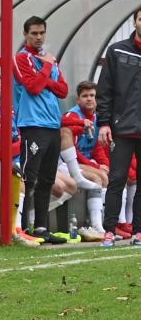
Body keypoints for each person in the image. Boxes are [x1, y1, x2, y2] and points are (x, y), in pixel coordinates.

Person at [13, 15, 69, 244]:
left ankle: (41, 228)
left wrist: (45, 74)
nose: (38, 37)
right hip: (32, 124)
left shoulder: (50, 60)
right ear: (25, 34)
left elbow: (63, 90)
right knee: (29, 177)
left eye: (41, 33)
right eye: (34, 33)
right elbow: (34, 87)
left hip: (53, 125)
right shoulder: (22, 58)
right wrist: (46, 67)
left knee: (47, 178)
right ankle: (21, 227)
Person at [97, 7, 141, 247]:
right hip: (121, 128)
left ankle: (138, 232)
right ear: (135, 21)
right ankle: (110, 231)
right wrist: (104, 123)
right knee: (116, 179)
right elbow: (104, 90)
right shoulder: (117, 50)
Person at [60, 81, 107, 240]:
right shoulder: (73, 115)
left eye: (92, 95)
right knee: (97, 177)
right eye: (85, 96)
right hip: (67, 162)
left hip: (84, 162)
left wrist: (103, 163)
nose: (89, 99)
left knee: (106, 175)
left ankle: (100, 223)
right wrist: (94, 165)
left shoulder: (97, 118)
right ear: (78, 99)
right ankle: (97, 225)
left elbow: (97, 147)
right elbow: (75, 149)